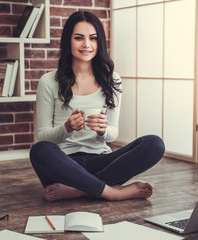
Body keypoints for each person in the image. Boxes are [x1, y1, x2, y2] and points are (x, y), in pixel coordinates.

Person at [30, 11, 165, 201]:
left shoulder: (112, 79)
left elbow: (113, 133)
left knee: (154, 144)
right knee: (40, 150)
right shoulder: (49, 81)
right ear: (68, 41)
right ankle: (112, 191)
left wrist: (103, 131)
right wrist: (66, 128)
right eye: (79, 38)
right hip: (64, 163)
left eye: (92, 38)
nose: (86, 45)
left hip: (102, 161)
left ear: (99, 42)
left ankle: (79, 190)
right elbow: (43, 135)